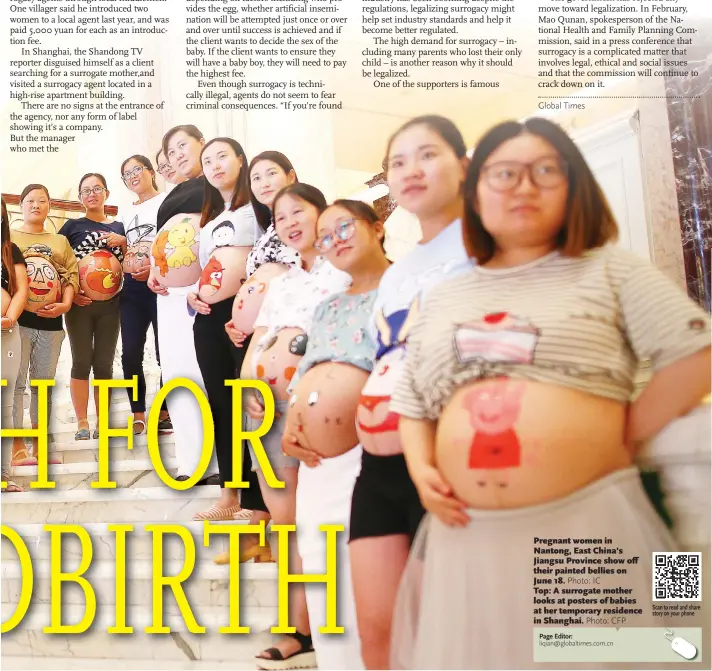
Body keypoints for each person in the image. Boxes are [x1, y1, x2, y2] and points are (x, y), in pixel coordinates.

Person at [389, 117, 712, 669]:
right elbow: (413, 400)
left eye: (545, 171)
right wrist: (421, 469)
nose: (523, 186)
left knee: (604, 655)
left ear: (576, 186)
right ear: (477, 191)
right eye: (504, 173)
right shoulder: (443, 297)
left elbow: (696, 356)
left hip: (586, 527)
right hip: (469, 539)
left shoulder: (610, 269)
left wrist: (624, 433)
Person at [348, 115, 472, 669]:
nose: (410, 170)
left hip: (459, 458)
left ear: (465, 167)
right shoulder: (399, 274)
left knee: (451, 630)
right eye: (397, 162)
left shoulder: (494, 250)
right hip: (383, 466)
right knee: (380, 629)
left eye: (427, 155)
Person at [242, 184, 351, 669]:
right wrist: (249, 387)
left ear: (321, 212)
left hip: (324, 409)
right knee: (283, 522)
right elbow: (260, 340)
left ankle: (328, 622)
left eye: (297, 211)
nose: (288, 222)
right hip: (269, 410)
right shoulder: (282, 282)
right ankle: (295, 628)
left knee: (324, 517)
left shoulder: (344, 269)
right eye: (278, 216)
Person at [282, 200, 391, 670]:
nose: (336, 239)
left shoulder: (403, 288)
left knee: (365, 576)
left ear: (377, 227)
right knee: (320, 564)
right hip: (315, 465)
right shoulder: (328, 306)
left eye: (344, 226)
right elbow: (308, 371)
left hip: (371, 455)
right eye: (325, 236)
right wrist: (291, 426)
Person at [213, 151, 301, 566]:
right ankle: (259, 527)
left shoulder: (302, 224)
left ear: (291, 176)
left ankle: (284, 538)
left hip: (288, 344)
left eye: (272, 174)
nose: (264, 182)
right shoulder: (266, 228)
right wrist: (239, 322)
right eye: (258, 176)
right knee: (255, 433)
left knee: (278, 439)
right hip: (254, 339)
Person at [188, 137, 259, 521]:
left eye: (221, 157)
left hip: (245, 315)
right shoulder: (210, 218)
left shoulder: (259, 208)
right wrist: (192, 298)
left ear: (240, 159)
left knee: (256, 401)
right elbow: (206, 272)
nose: (214, 165)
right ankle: (230, 492)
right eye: (207, 160)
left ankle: (260, 498)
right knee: (222, 403)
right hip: (209, 318)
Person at [148, 124, 219, 484]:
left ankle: (220, 461)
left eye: (181, 146)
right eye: (170, 152)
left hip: (205, 292)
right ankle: (192, 461)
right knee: (177, 375)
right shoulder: (173, 194)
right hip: (169, 297)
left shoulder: (220, 182)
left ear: (202, 144)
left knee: (209, 372)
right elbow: (165, 238)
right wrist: (153, 269)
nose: (176, 155)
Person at [11, 184, 79, 465]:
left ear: (49, 206)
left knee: (43, 385)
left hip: (52, 323)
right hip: (18, 322)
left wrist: (65, 304)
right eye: (30, 201)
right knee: (15, 384)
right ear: (21, 205)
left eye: (42, 201)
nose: (36, 205)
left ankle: (41, 445)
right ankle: (15, 445)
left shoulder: (60, 241)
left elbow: (72, 275)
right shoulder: (10, 236)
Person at [60, 173, 126, 440]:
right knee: (81, 361)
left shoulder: (120, 227)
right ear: (79, 198)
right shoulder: (71, 227)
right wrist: (71, 294)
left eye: (97, 189)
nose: (91, 194)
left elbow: (132, 261)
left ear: (106, 193)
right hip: (80, 305)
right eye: (85, 190)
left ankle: (103, 421)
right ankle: (82, 422)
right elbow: (59, 263)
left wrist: (125, 242)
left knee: (104, 364)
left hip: (112, 305)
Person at [116, 155, 171, 435]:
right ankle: (138, 412)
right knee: (130, 354)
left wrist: (153, 267)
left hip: (161, 285)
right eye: (127, 174)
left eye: (137, 169)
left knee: (166, 353)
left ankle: (164, 410)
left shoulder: (167, 202)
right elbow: (121, 251)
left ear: (151, 171)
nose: (133, 175)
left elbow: (173, 240)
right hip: (132, 289)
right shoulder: (123, 213)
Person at [1, 197, 29, 491]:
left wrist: (9, 317)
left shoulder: (11, 250)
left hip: (6, 334)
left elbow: (22, 288)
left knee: (4, 405)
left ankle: (3, 475)